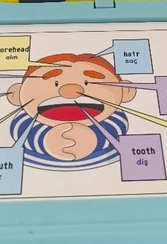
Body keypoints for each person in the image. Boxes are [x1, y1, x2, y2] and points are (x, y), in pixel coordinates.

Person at [7, 53, 136, 168]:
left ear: (125, 90)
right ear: (16, 94)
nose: (70, 91)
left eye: (87, 82)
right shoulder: (25, 118)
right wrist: (45, 140)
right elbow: (21, 129)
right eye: (55, 83)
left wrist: (93, 138)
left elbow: (116, 127)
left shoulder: (115, 116)